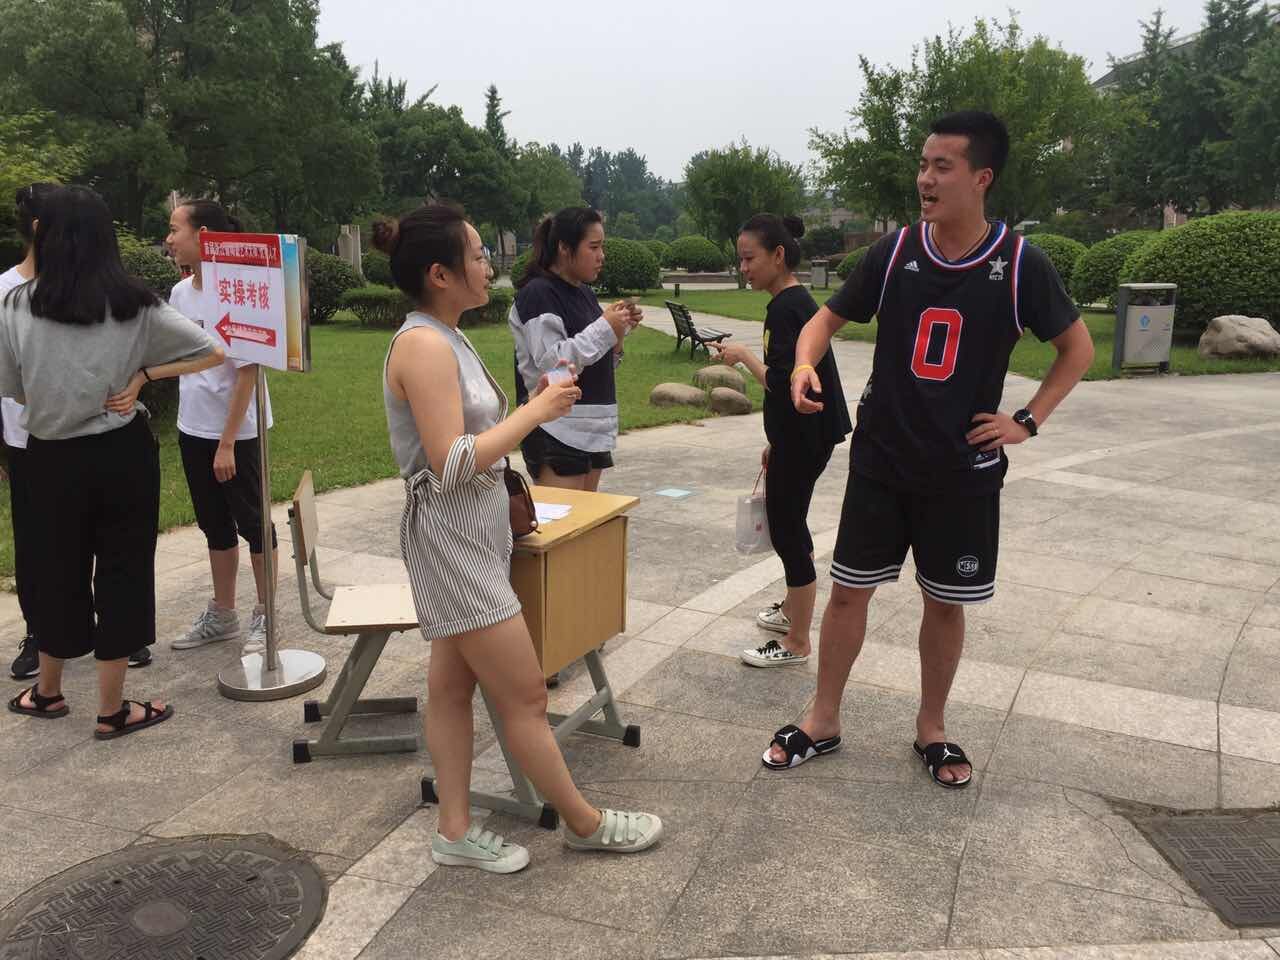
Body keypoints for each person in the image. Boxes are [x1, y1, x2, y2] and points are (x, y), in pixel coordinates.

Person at [766, 111, 1094, 786]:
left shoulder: (1018, 264)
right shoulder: (895, 253)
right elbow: (824, 321)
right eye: (923, 165)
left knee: (945, 602)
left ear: (981, 178)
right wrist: (802, 363)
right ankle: (822, 719)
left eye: (942, 166)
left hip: (962, 472)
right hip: (882, 461)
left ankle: (932, 729)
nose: (925, 178)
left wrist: (1026, 421)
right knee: (849, 593)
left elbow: (1077, 349)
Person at [379, 202, 661, 874]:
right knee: (528, 697)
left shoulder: (443, 335)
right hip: (453, 542)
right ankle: (584, 823)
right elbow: (450, 462)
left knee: (451, 690)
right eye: (478, 256)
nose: (489, 266)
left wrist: (533, 401)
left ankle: (453, 830)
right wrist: (535, 411)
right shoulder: (423, 345)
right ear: (440, 273)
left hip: (468, 535)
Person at [0, 185, 224, 737]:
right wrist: (142, 375)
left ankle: (48, 692)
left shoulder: (18, 303)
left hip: (49, 456)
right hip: (122, 453)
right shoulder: (135, 302)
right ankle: (111, 709)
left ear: (47, 235)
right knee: (124, 569)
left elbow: (12, 386)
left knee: (54, 570)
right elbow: (210, 350)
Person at [4, 185, 153, 678]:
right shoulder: (11, 294)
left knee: (88, 557)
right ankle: (51, 645)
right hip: (46, 441)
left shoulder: (102, 296)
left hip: (70, 441)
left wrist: (141, 377)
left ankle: (82, 663)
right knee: (57, 557)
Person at [710, 214, 850, 668]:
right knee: (792, 523)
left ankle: (797, 641)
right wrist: (778, 441)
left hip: (806, 437)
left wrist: (743, 356)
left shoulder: (788, 308)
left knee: (787, 531)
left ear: (778, 255)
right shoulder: (793, 303)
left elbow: (784, 379)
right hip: (801, 436)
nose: (744, 268)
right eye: (740, 259)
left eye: (750, 258)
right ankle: (792, 611)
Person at [163, 200, 277, 655]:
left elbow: (247, 372)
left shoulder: (237, 290)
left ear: (204, 235)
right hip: (193, 427)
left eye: (175, 229)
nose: (169, 239)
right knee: (214, 525)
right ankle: (223, 613)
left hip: (237, 433)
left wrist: (227, 443)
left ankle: (266, 615)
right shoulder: (179, 294)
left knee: (254, 524)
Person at [509, 207, 641, 494]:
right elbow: (554, 366)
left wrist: (617, 335)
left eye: (602, 246)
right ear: (564, 248)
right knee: (565, 519)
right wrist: (605, 327)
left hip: (593, 426)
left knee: (587, 519)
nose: (601, 256)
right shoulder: (538, 293)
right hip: (556, 429)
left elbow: (599, 363)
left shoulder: (584, 293)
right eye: (593, 247)